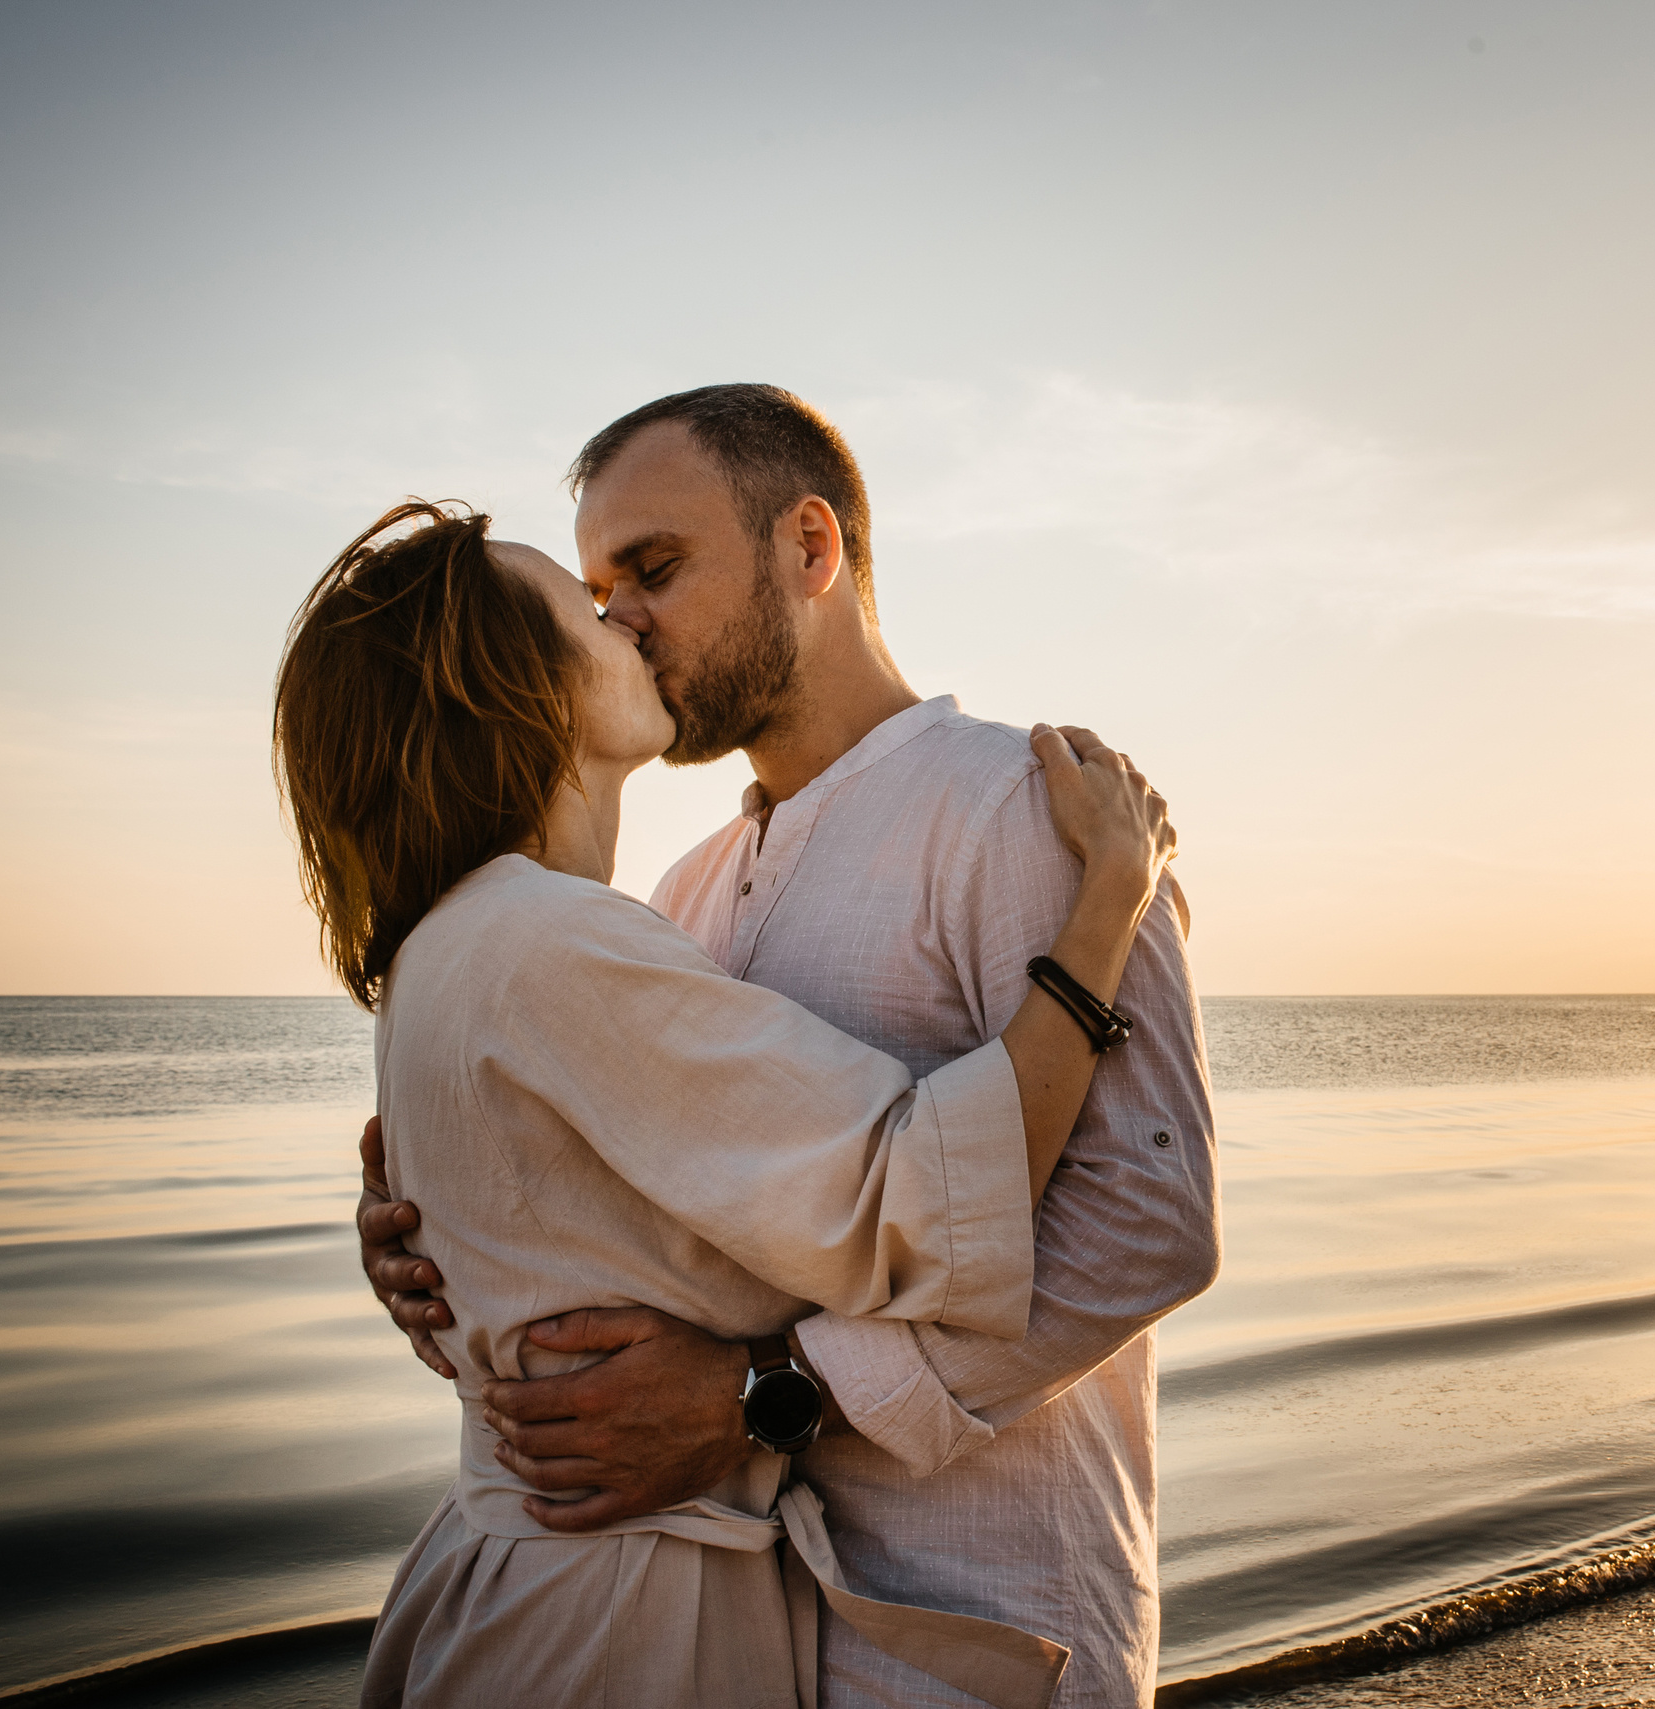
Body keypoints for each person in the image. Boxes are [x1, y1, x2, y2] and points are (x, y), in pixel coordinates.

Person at [358, 385, 1222, 1707]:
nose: (619, 618)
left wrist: (761, 1397)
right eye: (597, 591)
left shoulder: (1029, 809)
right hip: (724, 1628)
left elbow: (1148, 1219)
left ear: (810, 549)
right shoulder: (678, 896)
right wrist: (453, 1233)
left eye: (653, 568)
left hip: (981, 1627)